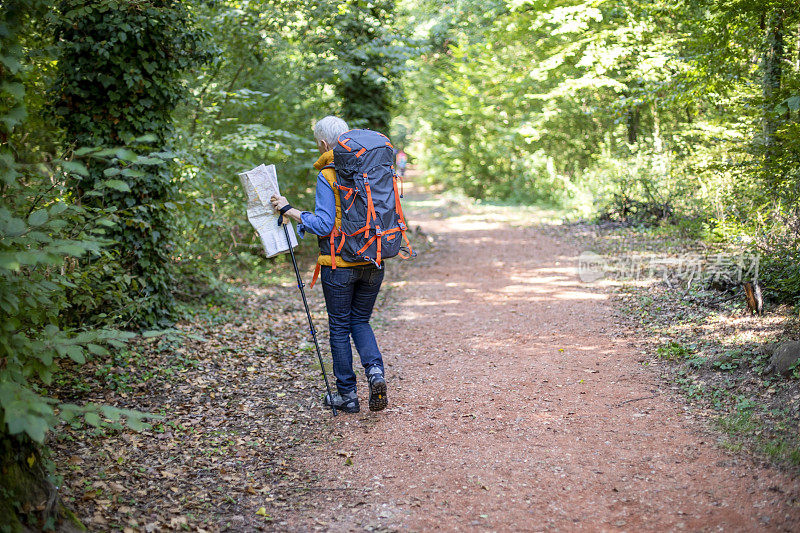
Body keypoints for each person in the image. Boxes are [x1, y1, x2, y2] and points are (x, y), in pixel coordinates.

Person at [270, 116, 388, 413]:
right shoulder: (372, 168)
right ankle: (375, 373)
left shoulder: (329, 174)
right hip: (374, 259)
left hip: (339, 265)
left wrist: (291, 211)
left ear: (324, 144)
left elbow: (323, 225)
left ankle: (347, 396)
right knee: (360, 321)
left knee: (339, 327)